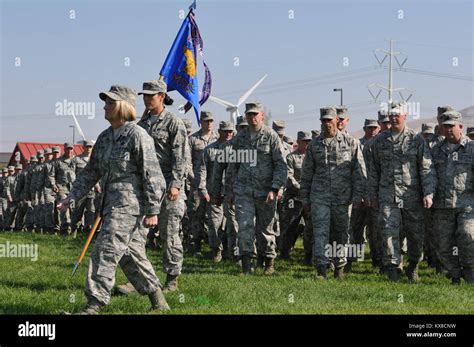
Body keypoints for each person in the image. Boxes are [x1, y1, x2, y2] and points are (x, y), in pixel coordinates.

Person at [57, 85, 169, 314]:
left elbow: (153, 176)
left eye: (109, 102)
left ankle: (93, 305)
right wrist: (72, 196)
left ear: (122, 106)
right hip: (109, 205)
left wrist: (152, 210)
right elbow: (91, 171)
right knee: (129, 255)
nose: (104, 107)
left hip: (130, 207)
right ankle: (159, 302)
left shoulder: (137, 136)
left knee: (105, 249)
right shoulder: (105, 137)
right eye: (105, 102)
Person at [368, 102, 437, 282]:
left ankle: (413, 265)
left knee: (415, 234)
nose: (393, 117)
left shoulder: (416, 140)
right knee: (388, 231)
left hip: (411, 196)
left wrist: (428, 193)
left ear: (405, 115)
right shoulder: (380, 141)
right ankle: (392, 269)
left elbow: (426, 168)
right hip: (387, 195)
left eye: (397, 114)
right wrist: (372, 195)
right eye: (390, 114)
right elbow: (373, 170)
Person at [300, 106, 366, 280]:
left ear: (337, 120)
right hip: (319, 196)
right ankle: (321, 269)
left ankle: (339, 267)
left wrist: (359, 196)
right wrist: (305, 199)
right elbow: (306, 174)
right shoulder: (314, 145)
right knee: (320, 232)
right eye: (324, 120)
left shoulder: (351, 143)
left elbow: (359, 171)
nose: (327, 123)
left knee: (341, 233)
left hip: (342, 198)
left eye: (330, 120)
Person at [226, 102, 288, 275]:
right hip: (244, 191)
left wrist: (275, 189)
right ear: (245, 116)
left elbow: (281, 166)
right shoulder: (240, 138)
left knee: (265, 229)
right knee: (245, 227)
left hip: (265, 192)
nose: (252, 118)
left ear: (262, 116)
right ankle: (247, 266)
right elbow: (233, 166)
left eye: (256, 114)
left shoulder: (271, 136)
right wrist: (230, 191)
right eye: (249, 115)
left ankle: (269, 262)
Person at [430, 111, 473, 285]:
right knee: (443, 244)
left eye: (451, 126)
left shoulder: (471, 148)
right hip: (442, 205)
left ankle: (470, 272)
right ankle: (455, 274)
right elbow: (428, 174)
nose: (448, 130)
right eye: (445, 126)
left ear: (460, 127)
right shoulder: (435, 151)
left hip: (467, 204)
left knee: (468, 236)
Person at [196, 121, 235, 262]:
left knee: (230, 225)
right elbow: (202, 170)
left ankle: (230, 251)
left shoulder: (235, 150)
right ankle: (216, 250)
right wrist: (203, 189)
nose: (228, 134)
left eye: (231, 131)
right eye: (225, 131)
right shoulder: (210, 150)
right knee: (214, 223)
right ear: (219, 131)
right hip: (214, 193)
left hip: (230, 193)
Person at [279, 131, 313, 264]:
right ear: (298, 142)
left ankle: (308, 255)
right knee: (290, 226)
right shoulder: (291, 157)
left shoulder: (312, 157)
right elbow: (289, 176)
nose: (307, 143)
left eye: (309, 141)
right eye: (305, 141)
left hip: (309, 198)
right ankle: (285, 252)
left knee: (310, 228)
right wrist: (301, 188)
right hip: (294, 198)